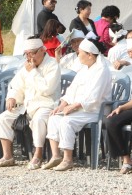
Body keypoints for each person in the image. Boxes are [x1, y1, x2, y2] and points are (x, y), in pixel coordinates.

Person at [0, 36, 61, 169]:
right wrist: (12, 97)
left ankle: (38, 155)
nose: (29, 57)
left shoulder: (52, 65)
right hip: (27, 106)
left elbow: (47, 89)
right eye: (26, 54)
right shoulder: (27, 67)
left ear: (42, 50)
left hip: (46, 104)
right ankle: (7, 156)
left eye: (32, 53)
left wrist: (33, 71)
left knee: (39, 120)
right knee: (3, 118)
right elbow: (16, 85)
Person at [42, 39, 112, 171]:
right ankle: (56, 156)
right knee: (54, 117)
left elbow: (93, 97)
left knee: (67, 121)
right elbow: (71, 90)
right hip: (80, 109)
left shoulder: (102, 70)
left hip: (95, 110)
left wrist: (73, 107)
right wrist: (62, 105)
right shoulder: (84, 69)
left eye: (80, 53)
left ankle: (68, 159)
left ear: (90, 55)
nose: (77, 55)